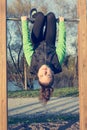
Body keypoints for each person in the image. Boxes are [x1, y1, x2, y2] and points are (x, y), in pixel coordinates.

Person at [21, 9, 66, 104]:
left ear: (37, 75)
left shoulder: (33, 63)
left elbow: (26, 45)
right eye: (48, 74)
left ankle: (35, 17)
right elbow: (62, 43)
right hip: (50, 42)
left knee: (40, 16)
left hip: (36, 41)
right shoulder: (57, 63)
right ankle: (45, 20)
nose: (44, 71)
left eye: (41, 75)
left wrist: (24, 23)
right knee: (51, 16)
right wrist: (61, 24)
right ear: (53, 73)